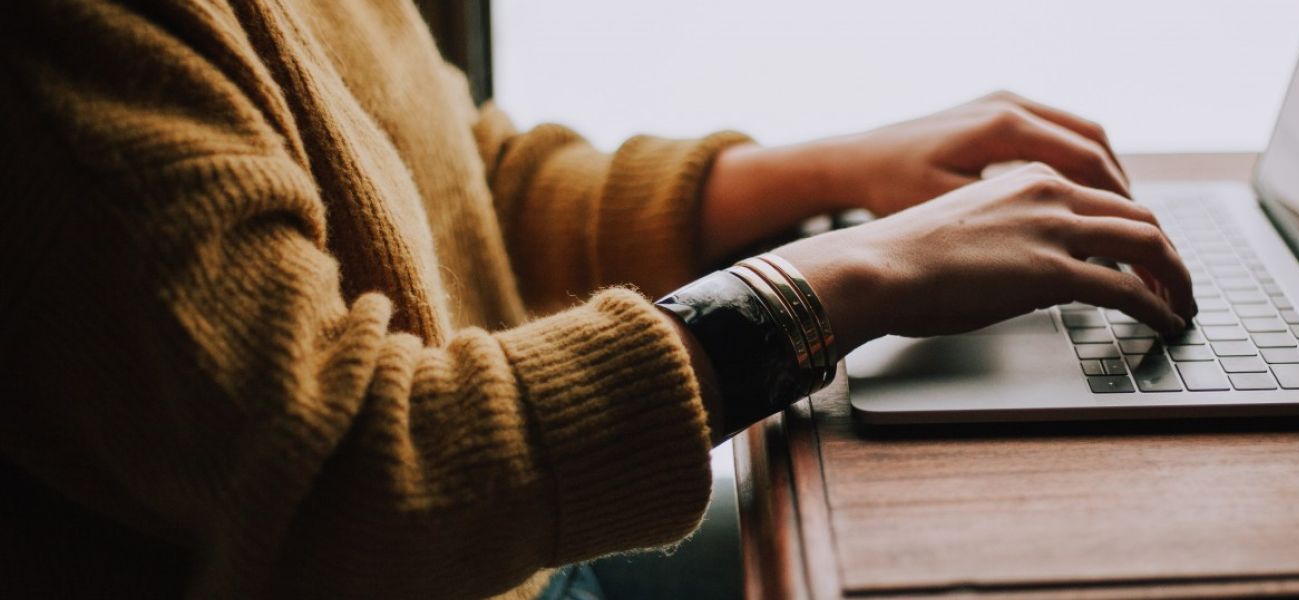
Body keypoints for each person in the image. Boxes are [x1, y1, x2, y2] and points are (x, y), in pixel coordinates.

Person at [0, 0, 1195, 598]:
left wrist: (828, 175)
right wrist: (836, 282)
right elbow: (351, 475)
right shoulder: (67, 47)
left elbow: (459, 183)